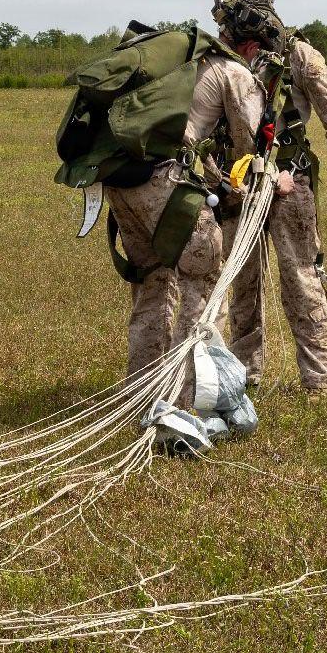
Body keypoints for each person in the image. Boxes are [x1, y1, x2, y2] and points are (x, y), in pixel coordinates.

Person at [211, 0, 327, 395]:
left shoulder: (298, 55)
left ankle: (319, 380)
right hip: (236, 185)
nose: (226, 26)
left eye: (230, 14)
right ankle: (243, 374)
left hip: (289, 184)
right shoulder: (219, 57)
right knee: (241, 283)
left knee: (300, 279)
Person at [106, 39, 265, 398]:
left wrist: (217, 182)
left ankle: (142, 391)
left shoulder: (177, 69)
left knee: (153, 282)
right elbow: (247, 147)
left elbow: (193, 144)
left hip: (121, 180)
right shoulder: (237, 73)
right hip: (164, 179)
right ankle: (185, 398)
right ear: (252, 48)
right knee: (204, 284)